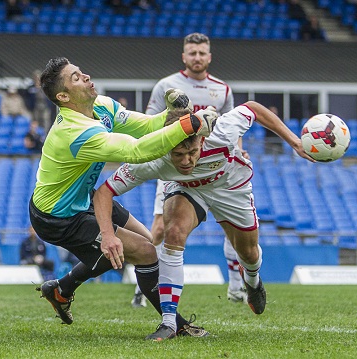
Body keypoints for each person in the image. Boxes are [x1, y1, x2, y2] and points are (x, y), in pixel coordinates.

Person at [94, 100, 316, 340]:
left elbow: (254, 107)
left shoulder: (222, 130)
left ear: (202, 139)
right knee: (174, 232)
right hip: (188, 190)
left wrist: (294, 141)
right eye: (178, 155)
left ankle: (252, 281)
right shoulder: (153, 157)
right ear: (166, 146)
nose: (187, 161)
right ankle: (169, 322)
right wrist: (107, 234)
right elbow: (105, 191)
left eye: (192, 152)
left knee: (249, 254)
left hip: (231, 187)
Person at [30, 57, 217, 340]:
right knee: (143, 252)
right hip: (57, 216)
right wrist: (189, 125)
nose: (87, 76)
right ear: (63, 96)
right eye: (76, 78)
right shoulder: (75, 133)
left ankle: (60, 289)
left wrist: (173, 115)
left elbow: (146, 127)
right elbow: (137, 151)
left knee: (138, 243)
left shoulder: (101, 106)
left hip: (83, 199)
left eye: (82, 72)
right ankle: (175, 324)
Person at [138, 32, 247, 308]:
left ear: (209, 57)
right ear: (184, 56)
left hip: (214, 168)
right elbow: (150, 123)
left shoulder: (222, 90)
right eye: (192, 53)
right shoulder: (167, 86)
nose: (197, 58)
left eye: (202, 53)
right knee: (161, 228)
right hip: (178, 167)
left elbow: (232, 127)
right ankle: (146, 284)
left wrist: (239, 149)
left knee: (232, 227)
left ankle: (236, 286)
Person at [24, 69, 54, 133]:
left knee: (46, 121)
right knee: (35, 122)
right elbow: (27, 98)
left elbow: (50, 96)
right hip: (35, 108)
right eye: (35, 77)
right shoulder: (31, 87)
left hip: (45, 107)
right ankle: (37, 134)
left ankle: (45, 134)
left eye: (38, 77)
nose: (37, 79)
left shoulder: (46, 86)